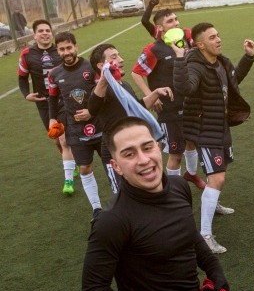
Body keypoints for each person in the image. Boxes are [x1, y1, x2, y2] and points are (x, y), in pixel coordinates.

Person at [82, 116, 245, 291]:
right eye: (129, 153)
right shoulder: (112, 221)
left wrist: (214, 269)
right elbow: (93, 289)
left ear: (159, 147)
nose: (144, 159)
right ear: (116, 166)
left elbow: (189, 235)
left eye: (147, 147)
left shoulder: (179, 187)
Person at [173, 22, 254, 254]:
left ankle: (213, 203)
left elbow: (233, 80)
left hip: (220, 127)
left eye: (218, 35)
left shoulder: (220, 62)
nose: (218, 40)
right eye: (212, 37)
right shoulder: (195, 66)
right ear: (200, 44)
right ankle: (205, 236)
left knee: (219, 177)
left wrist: (247, 58)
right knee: (217, 178)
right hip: (204, 130)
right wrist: (179, 59)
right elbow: (185, 89)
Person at [131, 8, 225, 207]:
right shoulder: (153, 50)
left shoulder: (187, 40)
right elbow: (136, 73)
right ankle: (172, 195)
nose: (176, 23)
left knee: (192, 143)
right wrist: (150, 94)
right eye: (170, 21)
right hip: (170, 110)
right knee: (175, 153)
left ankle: (191, 174)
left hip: (191, 105)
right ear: (160, 28)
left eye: (176, 19)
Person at [87, 43, 171, 193]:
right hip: (117, 151)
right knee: (123, 194)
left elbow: (138, 106)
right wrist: (104, 79)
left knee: (146, 187)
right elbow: (93, 108)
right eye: (114, 57)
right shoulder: (102, 89)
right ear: (101, 65)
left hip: (135, 145)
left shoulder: (123, 85)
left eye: (119, 55)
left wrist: (156, 92)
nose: (121, 59)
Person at [47, 32, 106, 218]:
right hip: (75, 129)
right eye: (62, 49)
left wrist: (91, 111)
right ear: (58, 51)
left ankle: (123, 202)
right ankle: (96, 208)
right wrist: (52, 118)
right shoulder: (54, 74)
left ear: (76, 47)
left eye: (69, 48)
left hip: (100, 125)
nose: (66, 52)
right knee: (84, 168)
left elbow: (105, 92)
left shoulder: (91, 67)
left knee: (112, 165)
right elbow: (52, 98)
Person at [18, 19, 76, 195]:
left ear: (51, 33)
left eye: (48, 30)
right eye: (41, 31)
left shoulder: (60, 50)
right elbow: (22, 78)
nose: (45, 33)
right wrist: (26, 94)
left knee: (65, 139)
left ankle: (68, 179)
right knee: (57, 139)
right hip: (44, 104)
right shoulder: (27, 54)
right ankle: (67, 159)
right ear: (34, 34)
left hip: (64, 101)